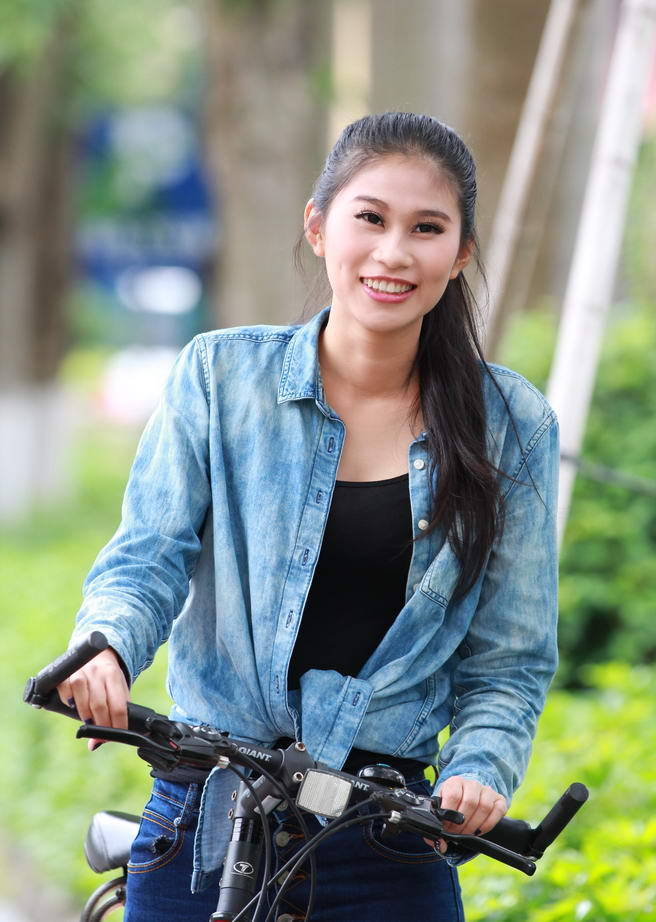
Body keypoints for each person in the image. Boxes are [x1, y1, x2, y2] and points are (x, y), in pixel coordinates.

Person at [58, 112, 559, 922]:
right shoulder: (219, 376)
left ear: (461, 252)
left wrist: (481, 767)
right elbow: (148, 557)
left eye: (426, 228)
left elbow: (509, 658)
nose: (394, 252)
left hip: (387, 836)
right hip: (206, 818)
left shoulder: (511, 423)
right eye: (371, 218)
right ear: (319, 227)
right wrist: (108, 645)